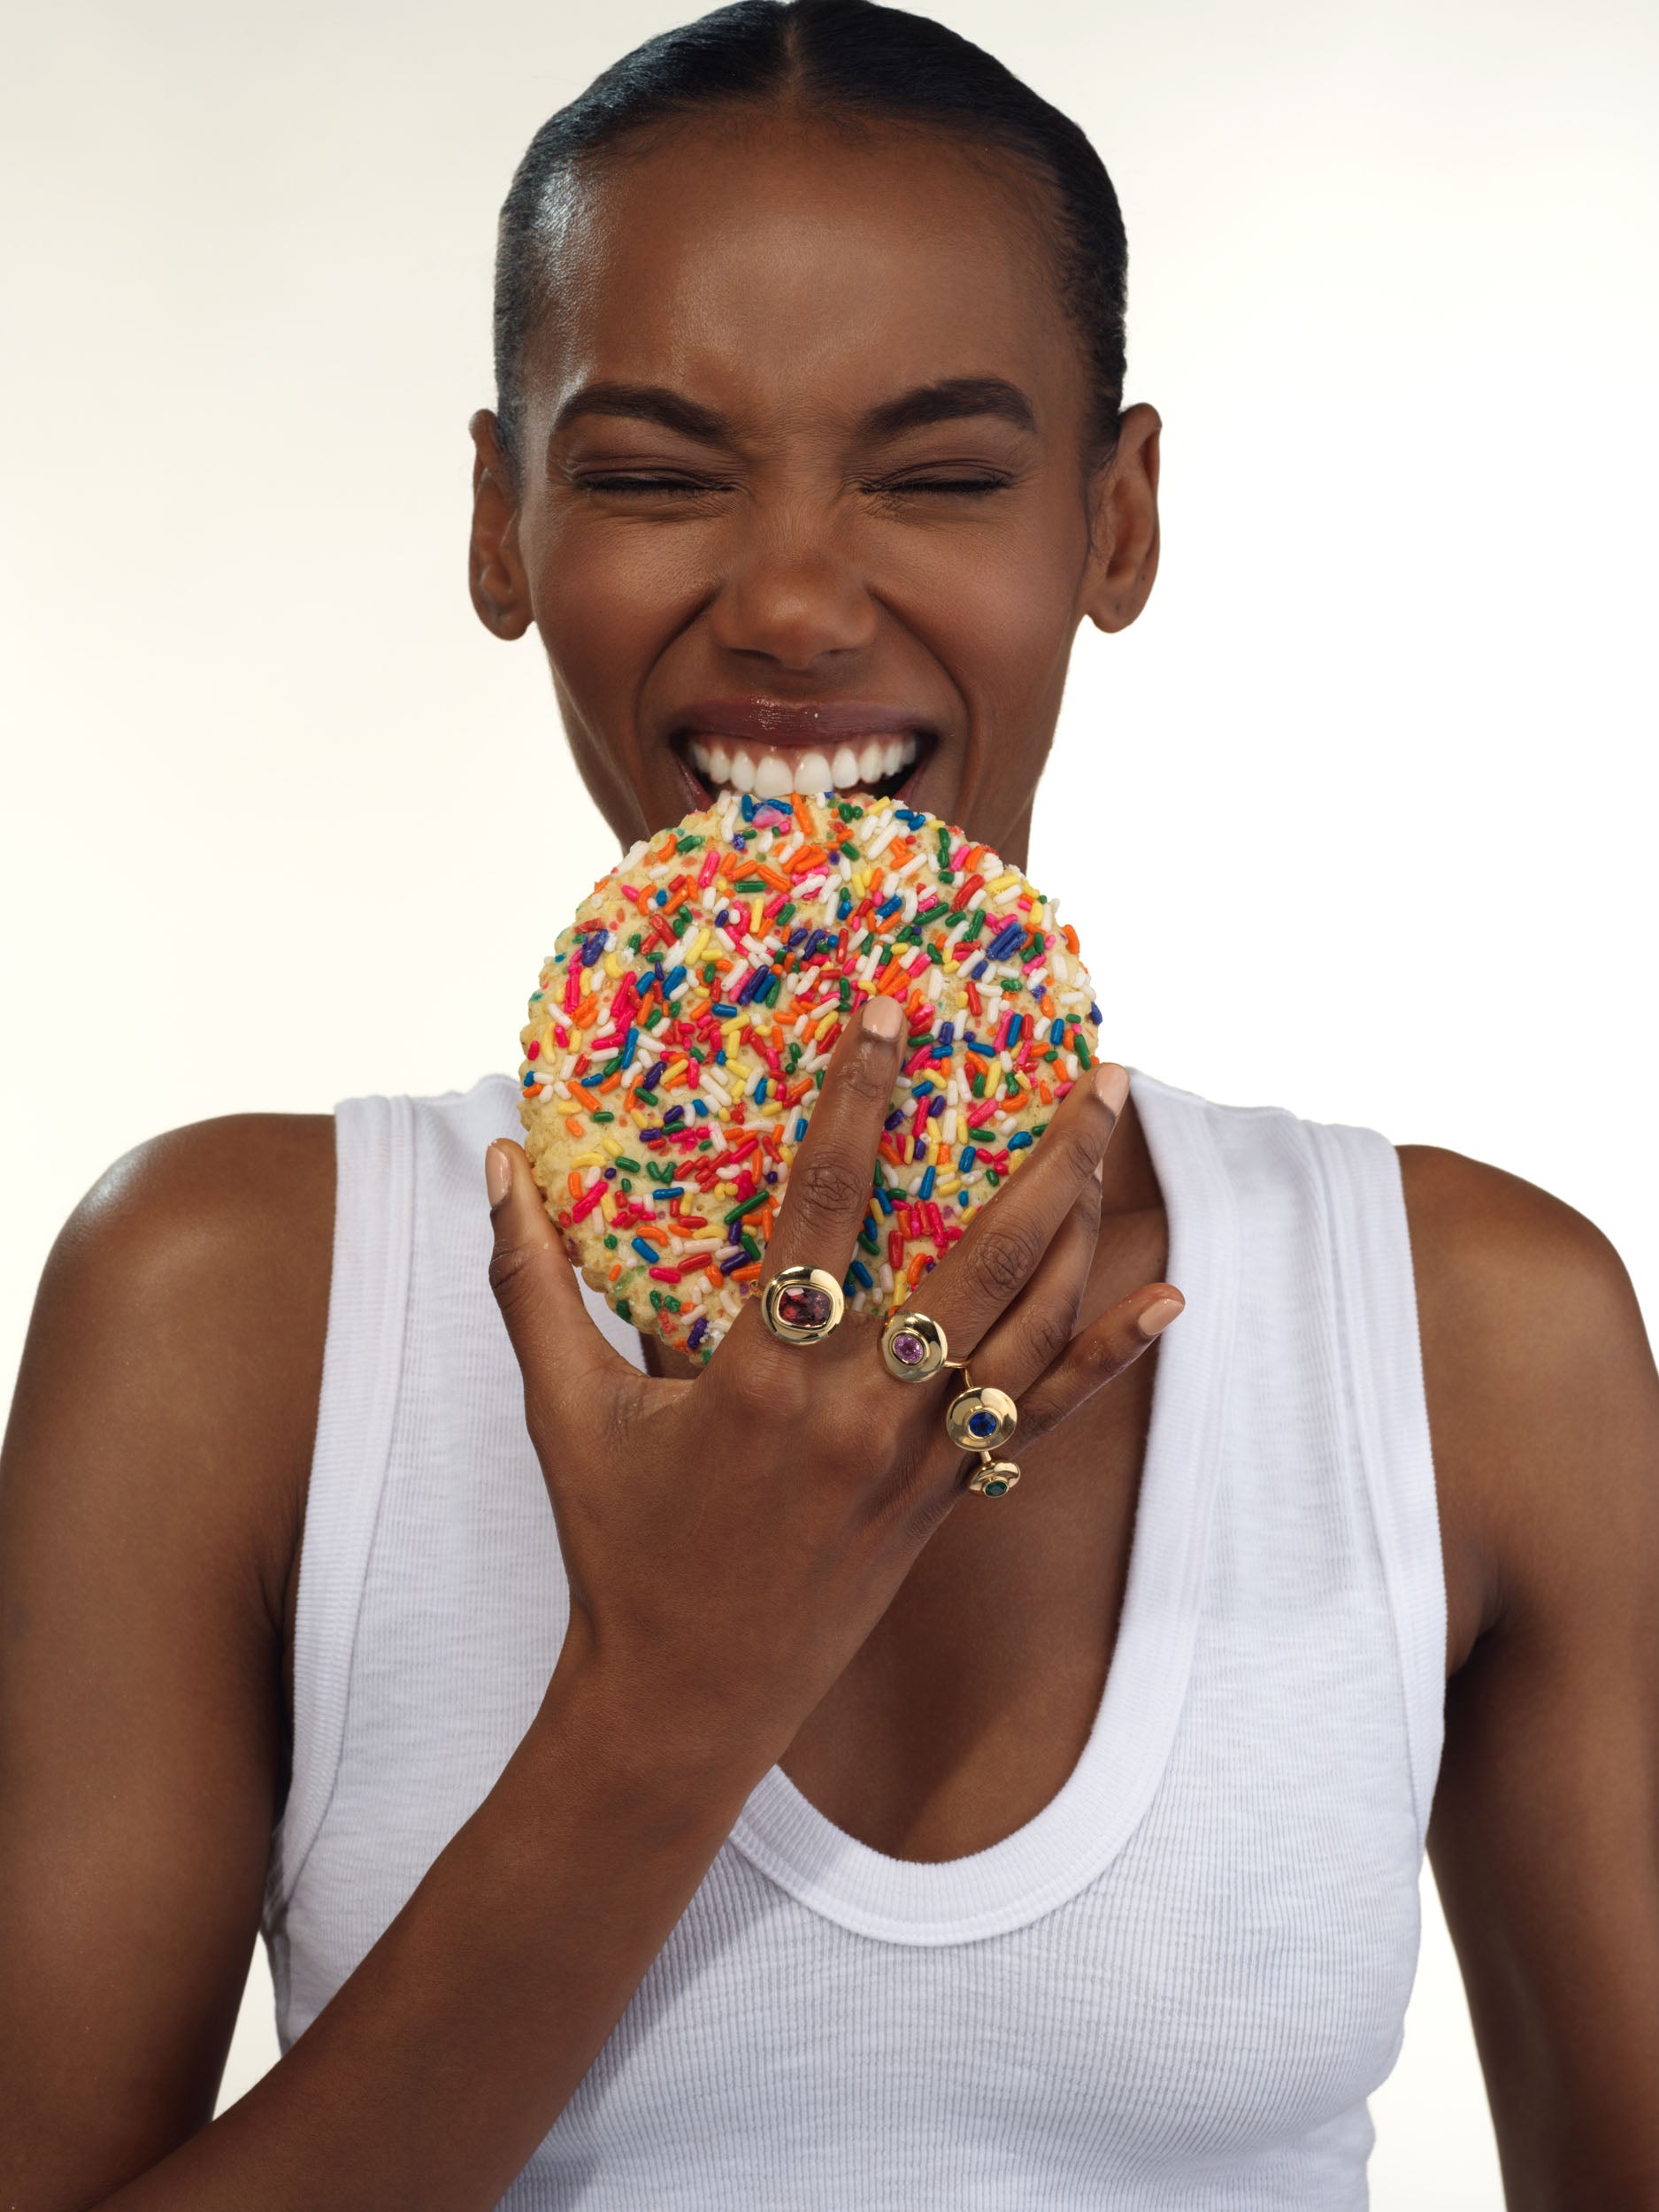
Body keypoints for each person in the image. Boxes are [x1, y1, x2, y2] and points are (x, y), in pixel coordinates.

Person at [4, 1, 1657, 2205]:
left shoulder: (1474, 1334)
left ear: (1116, 515)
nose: (787, 599)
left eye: (943, 472)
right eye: (656, 473)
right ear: (501, 525)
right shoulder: (227, 1308)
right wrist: (668, 1696)